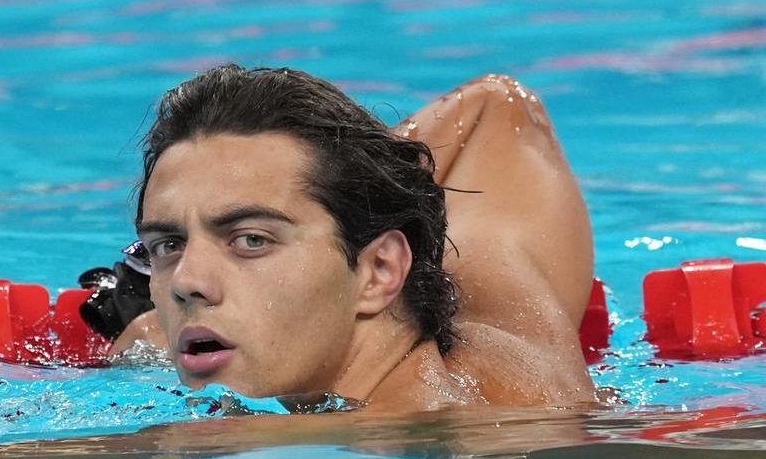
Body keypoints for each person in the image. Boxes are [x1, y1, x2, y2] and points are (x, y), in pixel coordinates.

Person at [81, 65, 596, 411]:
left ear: (378, 271)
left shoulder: (494, 421)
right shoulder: (500, 291)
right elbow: (493, 106)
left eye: (252, 239)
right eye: (167, 244)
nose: (185, 282)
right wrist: (345, 178)